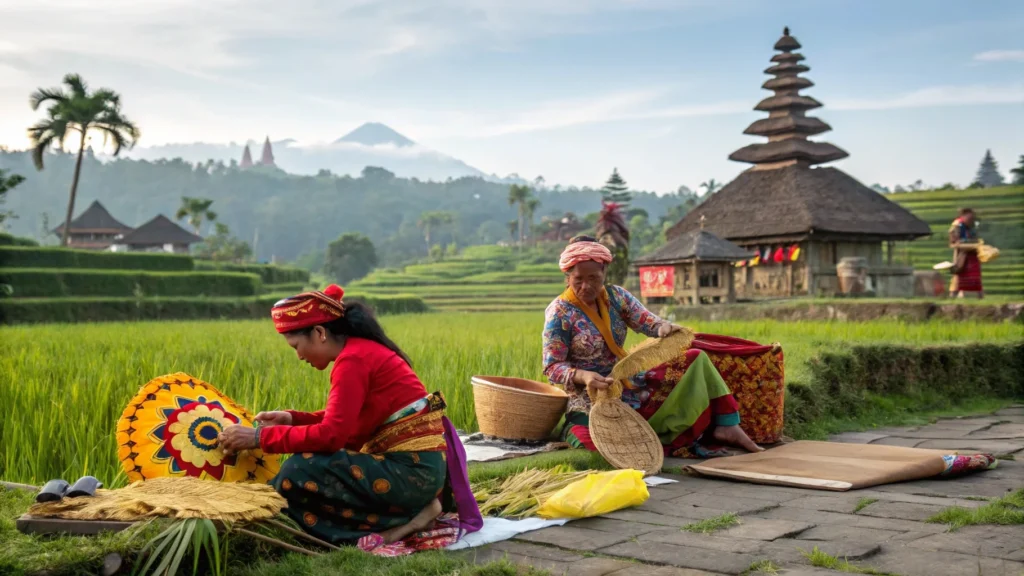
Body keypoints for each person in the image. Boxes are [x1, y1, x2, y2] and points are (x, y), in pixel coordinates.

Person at [219, 284, 481, 549]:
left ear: (319, 333)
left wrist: (258, 437)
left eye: (296, 346)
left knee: (300, 469)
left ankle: (391, 525)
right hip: (419, 473)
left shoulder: (353, 361)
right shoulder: (361, 351)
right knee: (311, 466)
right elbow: (345, 419)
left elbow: (331, 435)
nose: (298, 356)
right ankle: (410, 517)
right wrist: (292, 419)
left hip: (411, 475)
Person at [543, 236, 763, 458]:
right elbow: (552, 367)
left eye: (594, 278)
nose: (586, 286)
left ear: (605, 273)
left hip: (627, 385)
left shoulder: (617, 297)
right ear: (567, 276)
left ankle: (726, 425)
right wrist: (584, 376)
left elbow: (646, 320)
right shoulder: (560, 312)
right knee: (596, 448)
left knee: (695, 358)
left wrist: (663, 327)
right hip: (589, 398)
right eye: (578, 279)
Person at [949, 208, 983, 299]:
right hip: (962, 255)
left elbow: (976, 237)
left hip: (972, 253)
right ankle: (953, 295)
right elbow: (953, 241)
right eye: (969, 218)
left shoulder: (973, 225)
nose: (971, 220)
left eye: (972, 218)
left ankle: (980, 296)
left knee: (975, 276)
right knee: (958, 275)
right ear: (963, 216)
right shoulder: (957, 225)